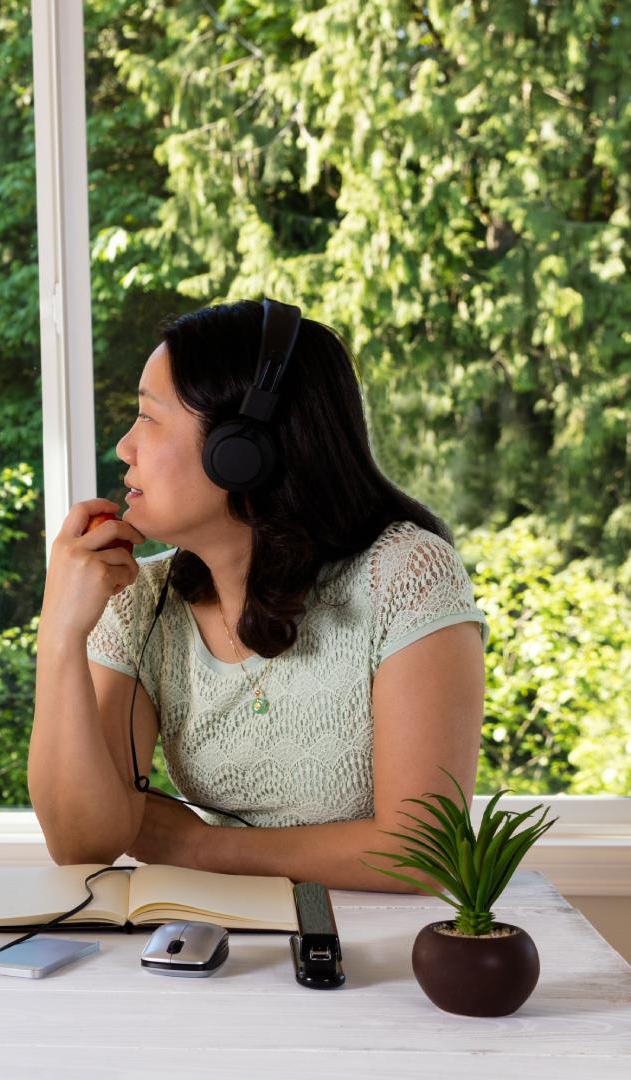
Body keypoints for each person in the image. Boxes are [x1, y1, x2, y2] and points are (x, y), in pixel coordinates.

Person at [28, 299, 488, 891]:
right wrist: (60, 634)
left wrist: (197, 844)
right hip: (220, 941)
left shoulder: (404, 574)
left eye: (148, 418)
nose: (123, 447)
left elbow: (421, 850)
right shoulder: (141, 601)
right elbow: (80, 842)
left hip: (381, 955)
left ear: (240, 450)